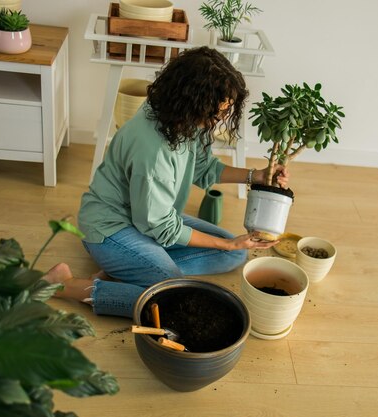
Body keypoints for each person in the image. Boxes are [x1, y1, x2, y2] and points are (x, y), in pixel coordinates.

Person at [44, 46, 289, 318]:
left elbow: (203, 168)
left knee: (234, 256)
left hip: (150, 219)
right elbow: (161, 228)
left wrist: (256, 175)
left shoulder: (177, 116)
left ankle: (127, 269)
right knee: (174, 297)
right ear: (194, 102)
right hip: (111, 229)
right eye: (215, 113)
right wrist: (229, 243)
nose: (218, 121)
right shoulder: (153, 151)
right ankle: (63, 285)